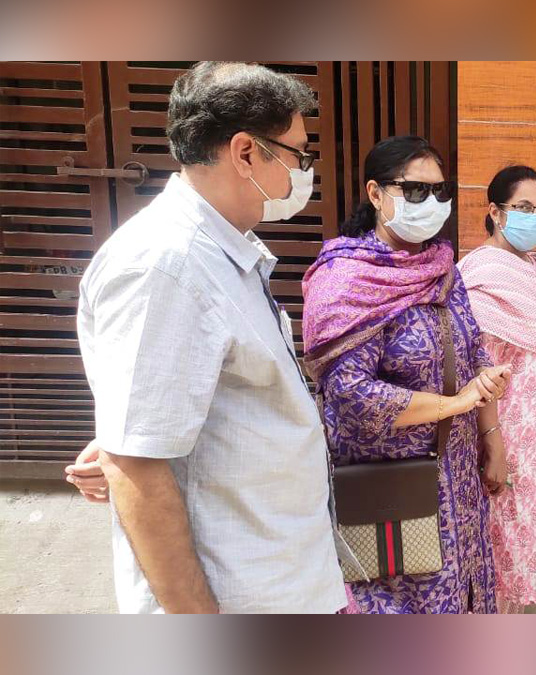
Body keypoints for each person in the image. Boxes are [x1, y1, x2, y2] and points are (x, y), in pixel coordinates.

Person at [72, 62, 346, 613]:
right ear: (246, 152)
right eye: (298, 154)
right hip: (235, 591)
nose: (304, 170)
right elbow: (137, 465)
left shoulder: (221, 251)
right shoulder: (165, 266)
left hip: (274, 566)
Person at [301, 136, 511, 614]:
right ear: (376, 194)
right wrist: (456, 404)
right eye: (415, 191)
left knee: (465, 595)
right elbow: (350, 393)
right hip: (392, 485)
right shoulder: (346, 277)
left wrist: (493, 439)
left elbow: (473, 347)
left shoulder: (441, 266)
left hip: (457, 475)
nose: (432, 203)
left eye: (440, 191)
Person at [457, 165, 536, 613]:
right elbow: (480, 369)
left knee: (532, 555)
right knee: (500, 557)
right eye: (524, 208)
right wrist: (492, 444)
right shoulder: (480, 279)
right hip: (509, 438)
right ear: (495, 212)